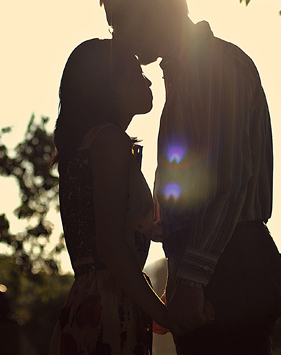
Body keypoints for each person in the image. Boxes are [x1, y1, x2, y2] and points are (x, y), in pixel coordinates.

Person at [100, 0, 281, 355]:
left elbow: (229, 180)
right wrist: (164, 220)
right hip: (213, 262)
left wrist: (193, 279)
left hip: (229, 264)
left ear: (152, 10)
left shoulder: (214, 66)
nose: (119, 40)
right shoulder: (186, 76)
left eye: (120, 24)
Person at [49, 38, 170, 355]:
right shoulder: (109, 141)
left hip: (90, 303)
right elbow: (111, 247)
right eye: (133, 72)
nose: (147, 78)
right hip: (108, 309)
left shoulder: (87, 145)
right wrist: (163, 314)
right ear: (107, 86)